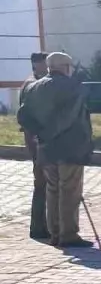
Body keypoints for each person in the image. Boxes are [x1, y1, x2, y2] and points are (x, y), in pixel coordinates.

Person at [18, 52, 94, 248]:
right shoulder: (73, 87)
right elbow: (69, 117)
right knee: (69, 191)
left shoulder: (32, 87)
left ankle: (54, 233)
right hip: (70, 147)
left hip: (45, 147)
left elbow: (23, 115)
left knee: (52, 190)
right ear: (65, 67)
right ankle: (68, 235)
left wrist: (40, 134)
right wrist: (50, 133)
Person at [17, 52, 50, 240]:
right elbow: (27, 118)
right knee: (41, 184)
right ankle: (38, 227)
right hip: (36, 140)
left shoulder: (37, 82)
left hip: (38, 139)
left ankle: (43, 225)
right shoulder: (31, 85)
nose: (47, 67)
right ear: (36, 64)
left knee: (43, 184)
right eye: (44, 64)